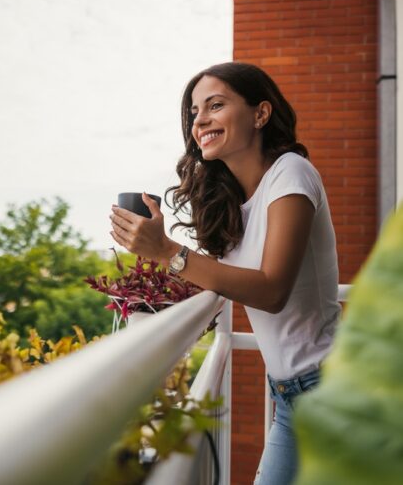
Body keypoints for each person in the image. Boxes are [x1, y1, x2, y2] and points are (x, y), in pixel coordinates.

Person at [110, 61, 341, 485]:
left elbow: (271, 290)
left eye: (215, 105)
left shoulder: (291, 174)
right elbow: (221, 278)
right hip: (291, 393)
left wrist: (166, 251)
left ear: (260, 114)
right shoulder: (234, 202)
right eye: (195, 112)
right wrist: (150, 280)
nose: (200, 120)